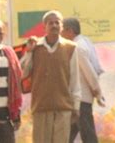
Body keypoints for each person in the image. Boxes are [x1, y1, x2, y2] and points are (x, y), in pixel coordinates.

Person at [21, 10, 80, 143]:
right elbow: (24, 74)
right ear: (44, 27)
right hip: (41, 106)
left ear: (61, 26)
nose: (54, 25)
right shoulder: (35, 46)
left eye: (57, 22)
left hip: (63, 107)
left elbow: (75, 79)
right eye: (50, 23)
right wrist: (29, 52)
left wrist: (76, 105)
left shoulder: (71, 47)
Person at [61, 18, 104, 143]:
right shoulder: (85, 41)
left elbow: (90, 73)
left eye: (62, 31)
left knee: (88, 134)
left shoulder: (77, 47)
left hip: (81, 99)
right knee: (67, 134)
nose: (61, 35)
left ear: (70, 31)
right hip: (77, 99)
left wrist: (98, 93)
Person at [0, 21, 22, 143]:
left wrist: (16, 115)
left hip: (5, 116)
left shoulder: (9, 54)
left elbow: (16, 84)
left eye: (0, 33)